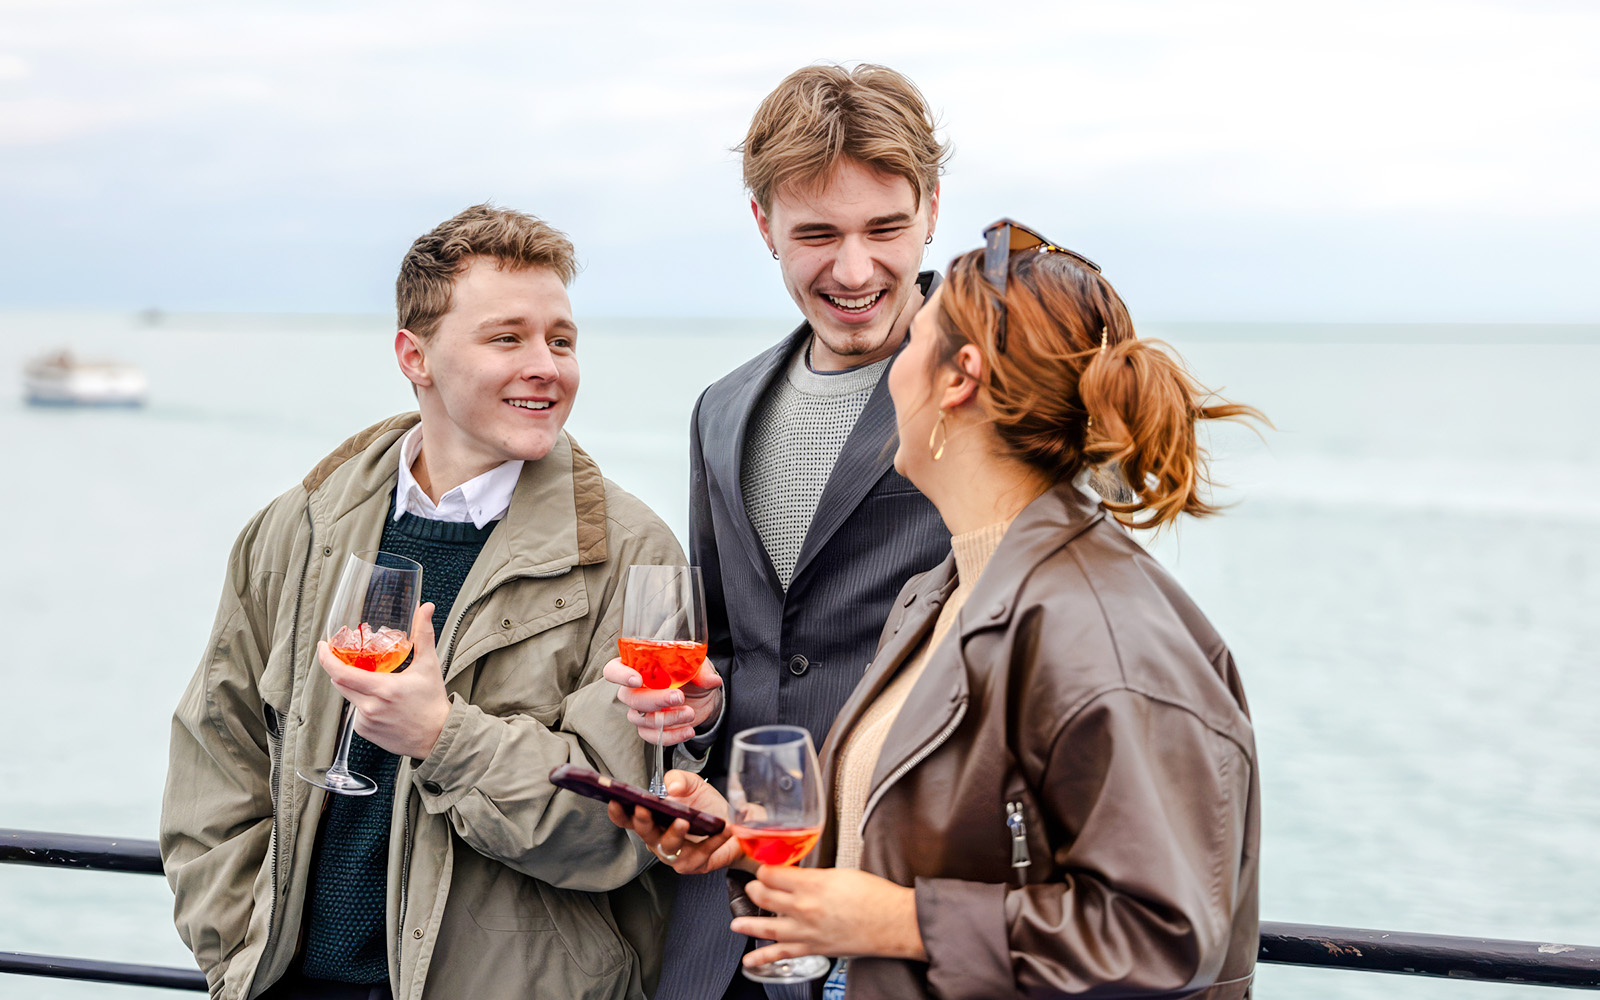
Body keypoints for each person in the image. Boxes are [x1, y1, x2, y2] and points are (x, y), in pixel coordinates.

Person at [618, 221, 1265, 999]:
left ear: (957, 378)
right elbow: (918, 855)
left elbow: (1168, 936)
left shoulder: (1108, 633)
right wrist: (746, 845)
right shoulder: (945, 592)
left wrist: (901, 922)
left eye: (914, 340)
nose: (891, 373)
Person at [160, 204, 683, 1000]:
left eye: (562, 340)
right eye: (507, 338)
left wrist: (443, 737)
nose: (546, 364)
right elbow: (216, 753)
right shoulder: (296, 527)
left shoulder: (634, 553)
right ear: (416, 356)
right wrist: (235, 952)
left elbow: (618, 827)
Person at [605, 63, 952, 1000]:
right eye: (815, 234)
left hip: (898, 923)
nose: (853, 269)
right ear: (763, 227)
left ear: (931, 208)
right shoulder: (721, 409)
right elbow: (728, 648)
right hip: (729, 927)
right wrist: (696, 714)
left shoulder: (988, 387)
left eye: (884, 228)